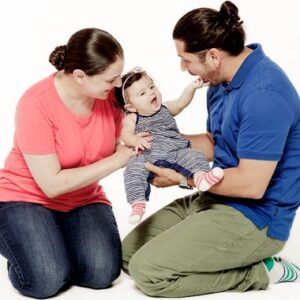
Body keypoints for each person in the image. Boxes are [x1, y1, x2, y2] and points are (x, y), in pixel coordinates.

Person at [122, 1, 300, 297]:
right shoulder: (220, 81)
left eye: (186, 59)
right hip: (214, 196)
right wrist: (160, 144)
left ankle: (262, 271)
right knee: (128, 255)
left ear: (214, 56)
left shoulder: (264, 96)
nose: (183, 67)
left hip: (256, 217)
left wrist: (182, 178)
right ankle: (216, 253)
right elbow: (217, 142)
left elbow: (252, 184)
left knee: (149, 272)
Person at [0, 28, 136, 298]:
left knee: (102, 274)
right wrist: (118, 159)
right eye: (111, 78)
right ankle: (26, 250)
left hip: (82, 199)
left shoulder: (108, 97)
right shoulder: (35, 104)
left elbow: (137, 131)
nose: (119, 84)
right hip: (25, 198)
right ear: (79, 76)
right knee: (45, 281)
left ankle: (53, 243)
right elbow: (51, 185)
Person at [114, 67, 224, 224]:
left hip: (175, 152)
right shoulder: (132, 117)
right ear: (131, 107)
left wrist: (191, 88)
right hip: (148, 156)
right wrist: (135, 141)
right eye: (142, 93)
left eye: (151, 87)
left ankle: (201, 177)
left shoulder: (165, 108)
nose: (151, 93)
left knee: (194, 155)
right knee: (133, 169)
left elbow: (181, 103)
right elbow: (125, 134)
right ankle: (137, 203)